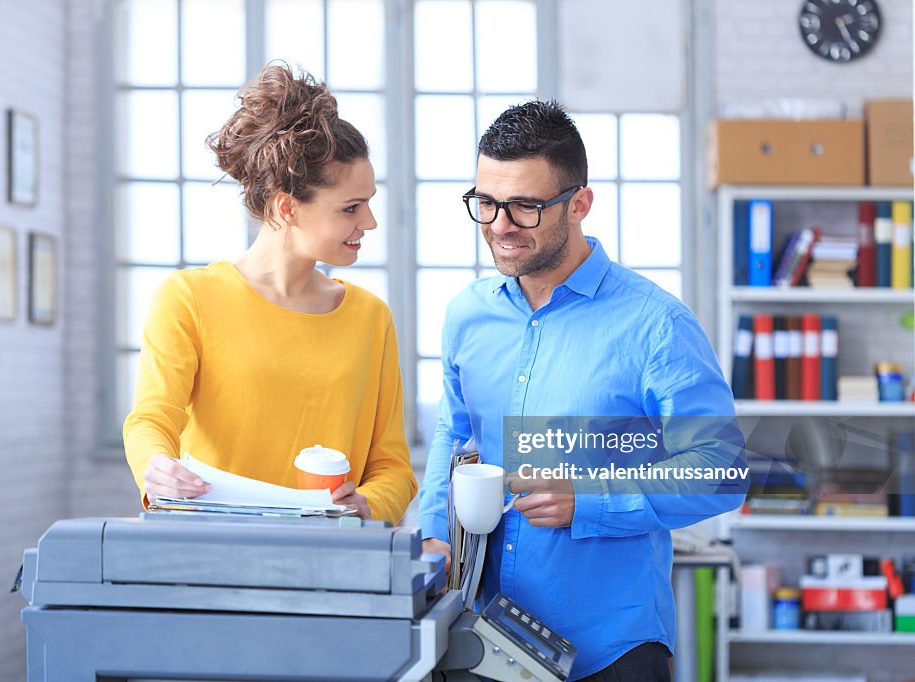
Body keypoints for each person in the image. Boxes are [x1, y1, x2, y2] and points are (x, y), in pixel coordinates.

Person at [417, 101, 746, 681]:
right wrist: (432, 534)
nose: (499, 225)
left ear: (580, 205)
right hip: (483, 637)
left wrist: (590, 500)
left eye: (524, 206)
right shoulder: (467, 316)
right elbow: (456, 432)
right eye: (486, 203)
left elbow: (719, 470)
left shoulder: (657, 325)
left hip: (612, 649)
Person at [123, 63, 416, 524]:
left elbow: (393, 468)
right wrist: (154, 469)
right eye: (351, 208)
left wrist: (369, 505)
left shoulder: (369, 318)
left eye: (369, 203)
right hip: (212, 557)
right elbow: (151, 420)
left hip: (333, 565)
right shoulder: (189, 299)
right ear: (287, 207)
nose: (370, 222)